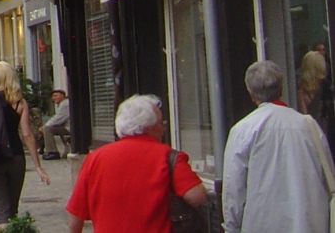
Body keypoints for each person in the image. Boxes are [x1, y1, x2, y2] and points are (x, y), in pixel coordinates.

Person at [221, 60, 335, 233]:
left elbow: (234, 187)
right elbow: (328, 176)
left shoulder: (242, 131)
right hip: (310, 224)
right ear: (281, 89)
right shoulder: (309, 126)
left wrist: (232, 226)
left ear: (251, 94)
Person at [65, 94, 206, 233]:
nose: (163, 128)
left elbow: (76, 215)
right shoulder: (168, 157)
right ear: (147, 127)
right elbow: (196, 196)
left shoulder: (95, 158)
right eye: (160, 123)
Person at [0, 61, 49, 222]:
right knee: (13, 209)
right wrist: (38, 166)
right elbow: (27, 134)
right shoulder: (20, 102)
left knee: (1, 210)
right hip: (16, 156)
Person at [40, 89, 69, 159]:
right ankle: (44, 149)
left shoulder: (65, 104)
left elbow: (58, 119)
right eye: (53, 96)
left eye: (56, 96)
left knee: (47, 129)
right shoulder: (62, 104)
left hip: (69, 128)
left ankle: (52, 152)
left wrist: (45, 126)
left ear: (62, 96)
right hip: (66, 126)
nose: (53, 98)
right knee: (47, 127)